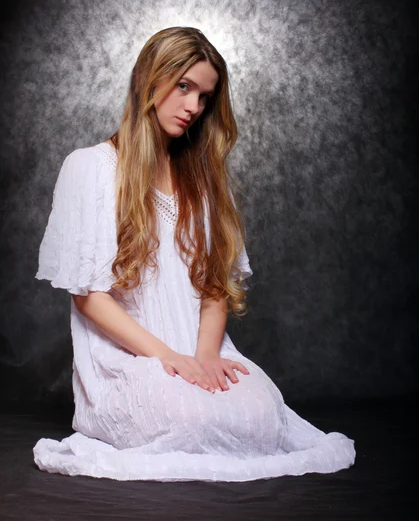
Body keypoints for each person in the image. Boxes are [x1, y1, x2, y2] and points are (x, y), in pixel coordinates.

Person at [33, 26, 355, 481]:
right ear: (151, 77)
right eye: (184, 87)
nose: (193, 107)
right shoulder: (90, 167)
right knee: (193, 418)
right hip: (131, 360)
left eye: (204, 97)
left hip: (198, 351)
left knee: (261, 416)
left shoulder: (203, 182)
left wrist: (204, 357)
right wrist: (169, 359)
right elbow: (90, 296)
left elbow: (215, 286)